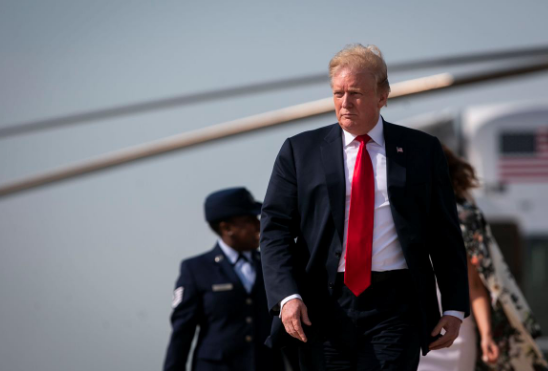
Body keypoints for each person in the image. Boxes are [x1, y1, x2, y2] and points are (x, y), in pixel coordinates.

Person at [259, 43, 470, 371]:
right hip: (322, 306)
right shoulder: (299, 152)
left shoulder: (421, 151)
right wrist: (287, 296)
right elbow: (274, 231)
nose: (345, 103)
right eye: (338, 93)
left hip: (395, 306)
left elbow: (444, 232)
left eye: (355, 93)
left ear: (383, 96)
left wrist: (455, 307)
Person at [418, 145, 548, 371]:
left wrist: (487, 335)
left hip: (455, 334)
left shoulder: (464, 217)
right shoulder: (396, 214)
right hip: (410, 331)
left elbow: (475, 286)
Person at [163, 187, 287, 371]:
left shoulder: (271, 265)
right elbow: (182, 332)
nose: (258, 225)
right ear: (227, 228)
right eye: (248, 220)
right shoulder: (196, 269)